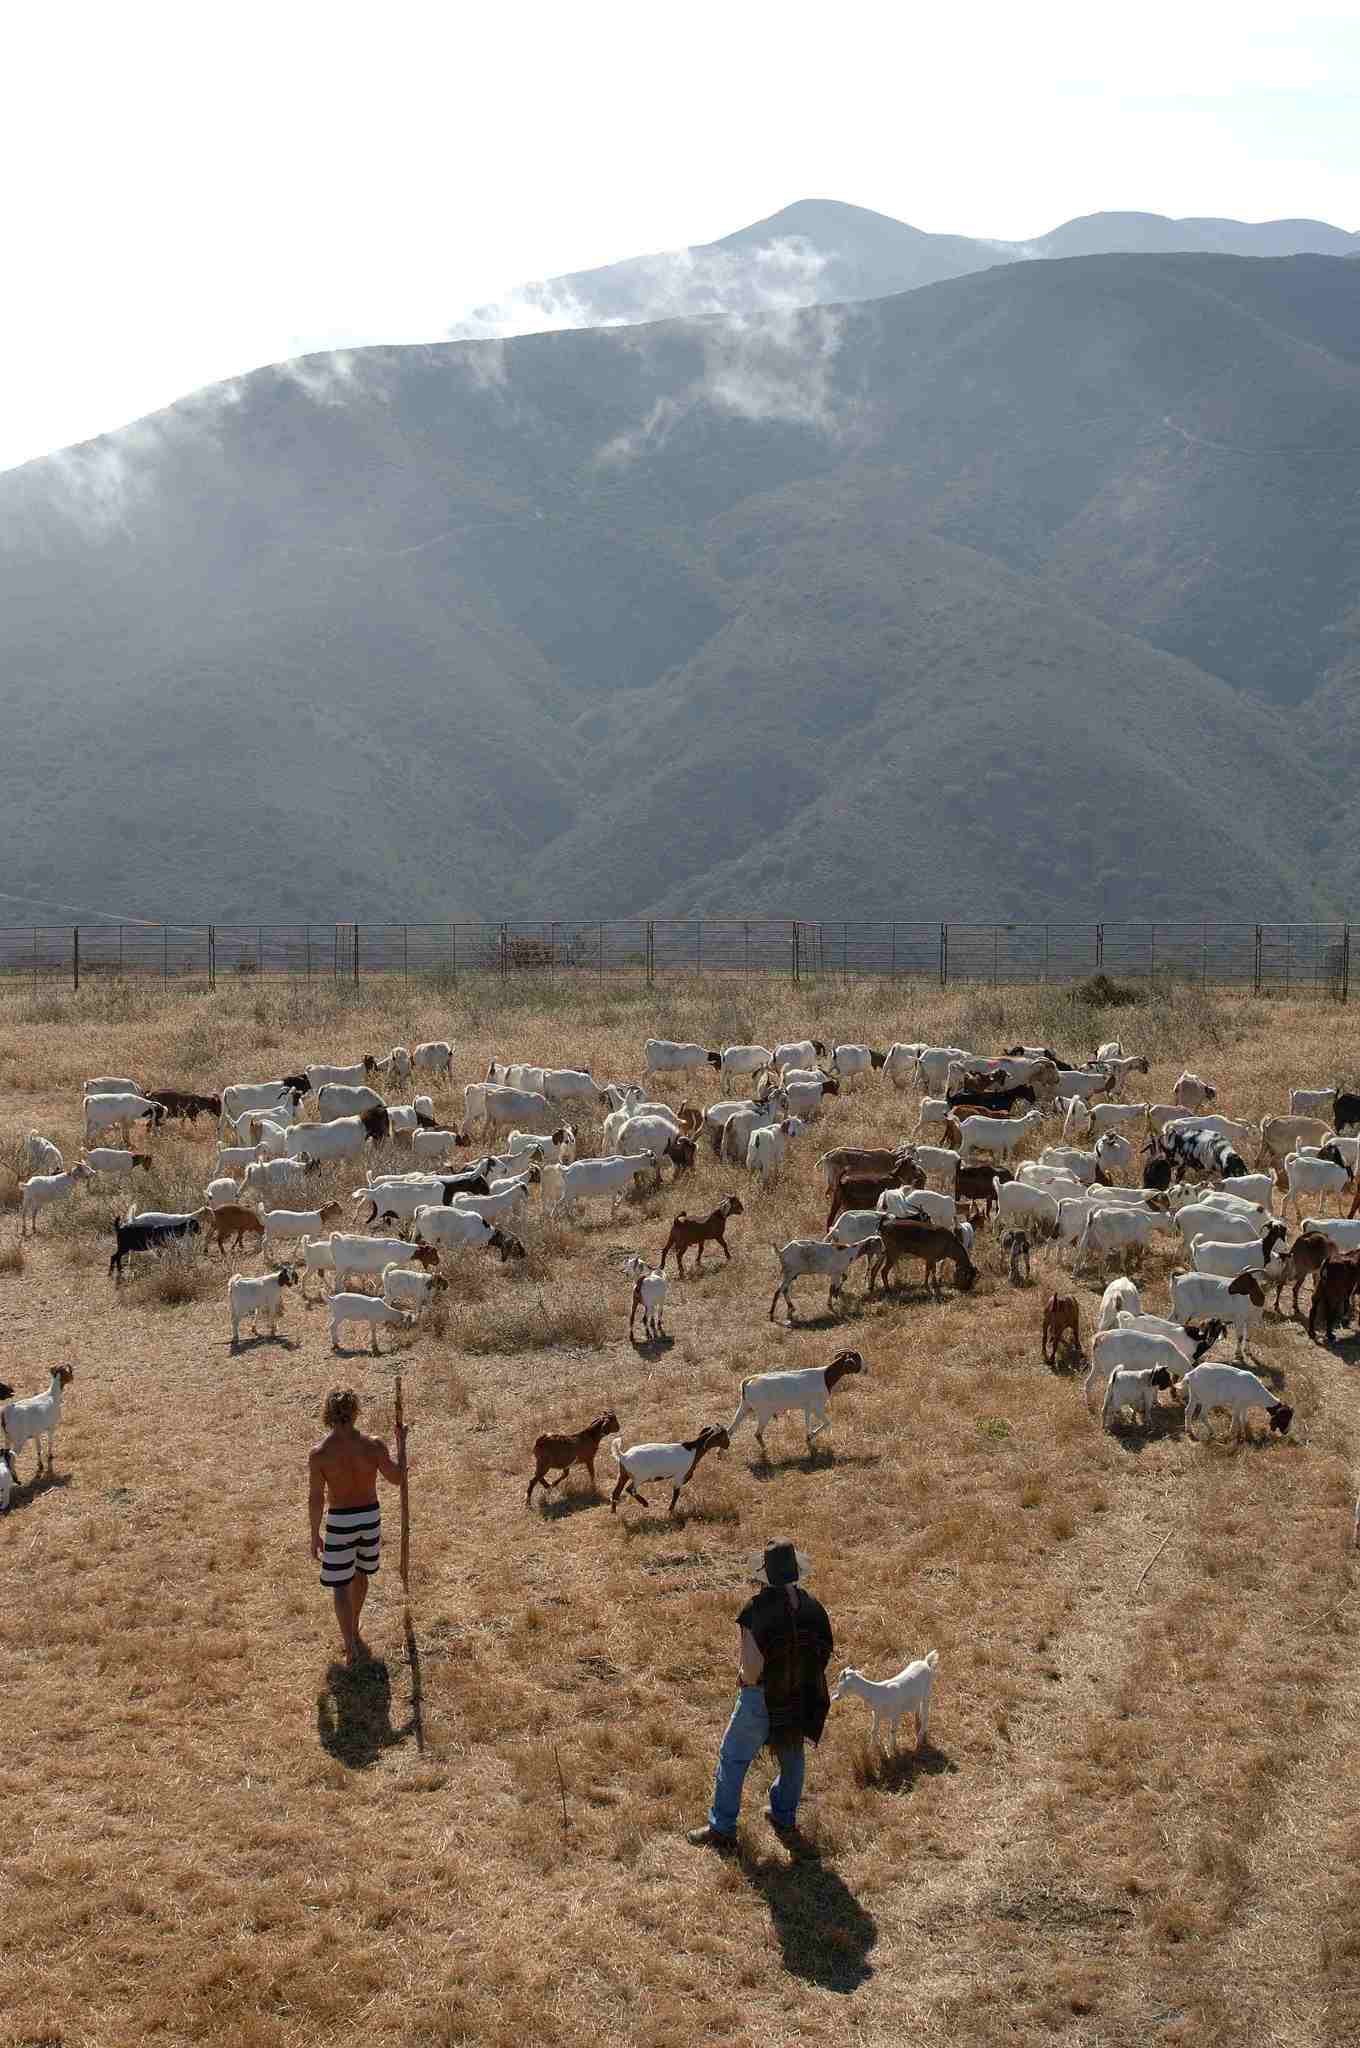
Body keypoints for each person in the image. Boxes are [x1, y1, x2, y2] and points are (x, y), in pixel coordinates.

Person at [688, 1540, 833, 1849]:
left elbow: (752, 1669)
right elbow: (823, 1652)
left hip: (761, 1699)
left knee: (733, 1758)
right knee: (792, 1756)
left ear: (765, 1572)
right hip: (800, 1695)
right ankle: (784, 1815)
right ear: (795, 1571)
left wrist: (743, 1678)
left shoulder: (756, 1611)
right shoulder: (813, 1608)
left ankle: (722, 1827)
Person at [308, 1388, 405, 1666]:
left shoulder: (320, 1454)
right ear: (355, 1411)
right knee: (362, 1573)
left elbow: (315, 1499)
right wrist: (401, 1445)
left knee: (340, 1585)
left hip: (340, 1520)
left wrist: (315, 1534)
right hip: (369, 1517)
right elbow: (397, 1479)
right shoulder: (373, 1445)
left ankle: (350, 1642)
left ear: (328, 1413)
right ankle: (354, 1624)